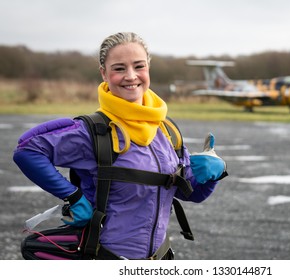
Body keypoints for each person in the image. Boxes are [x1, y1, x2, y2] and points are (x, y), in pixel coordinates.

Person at [13, 32, 227, 260]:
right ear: (104, 73)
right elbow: (28, 151)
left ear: (148, 69)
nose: (131, 76)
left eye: (139, 66)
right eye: (119, 68)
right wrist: (73, 196)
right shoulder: (91, 132)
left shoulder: (166, 130)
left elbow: (191, 194)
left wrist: (212, 173)